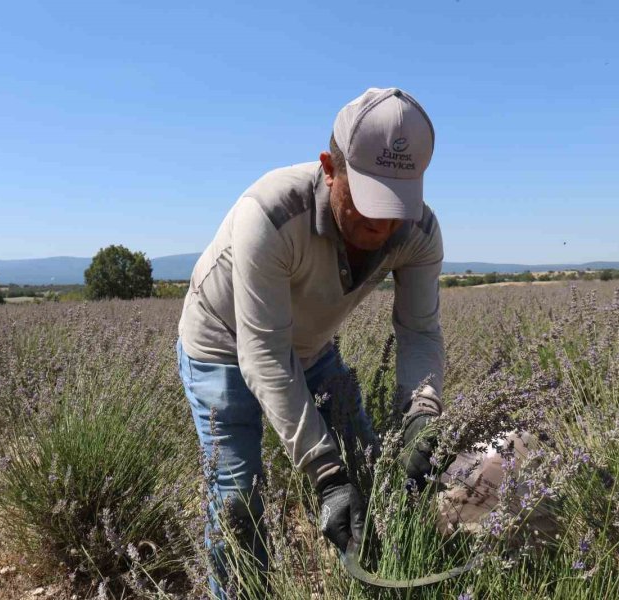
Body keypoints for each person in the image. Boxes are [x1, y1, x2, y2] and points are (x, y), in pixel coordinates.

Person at [176, 87, 446, 597]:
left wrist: (422, 414)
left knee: (369, 464)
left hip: (311, 345)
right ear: (329, 167)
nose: (381, 222)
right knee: (238, 500)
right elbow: (262, 351)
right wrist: (324, 472)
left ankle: (378, 582)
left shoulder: (419, 232)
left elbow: (420, 331)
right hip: (224, 344)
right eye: (367, 199)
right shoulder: (273, 213)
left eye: (396, 203)